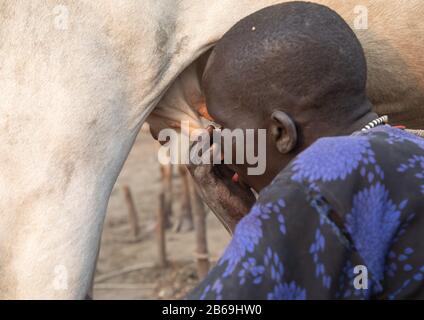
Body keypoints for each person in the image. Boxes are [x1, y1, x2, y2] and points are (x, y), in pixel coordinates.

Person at [187, 2, 424, 299]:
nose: (218, 143)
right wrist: (250, 218)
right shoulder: (412, 149)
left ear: (281, 133)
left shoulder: (315, 181)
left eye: (223, 127)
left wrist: (260, 218)